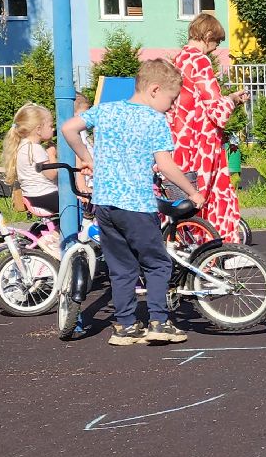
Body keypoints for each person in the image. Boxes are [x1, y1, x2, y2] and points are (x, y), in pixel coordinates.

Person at [60, 60, 205, 346]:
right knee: (157, 263)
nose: (172, 106)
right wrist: (192, 191)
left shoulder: (107, 109)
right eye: (171, 99)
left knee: (121, 266)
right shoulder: (154, 120)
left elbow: (68, 128)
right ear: (154, 90)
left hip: (106, 204)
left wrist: (87, 158)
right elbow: (165, 165)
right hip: (137, 204)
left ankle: (125, 325)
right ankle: (159, 321)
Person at [169, 13, 249, 243]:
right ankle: (215, 245)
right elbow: (214, 107)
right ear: (207, 36)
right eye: (216, 42)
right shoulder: (199, 61)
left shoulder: (179, 59)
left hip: (180, 138)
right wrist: (232, 100)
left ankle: (186, 243)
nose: (215, 48)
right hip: (200, 140)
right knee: (210, 193)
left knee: (183, 193)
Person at [1, 102, 59, 217]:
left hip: (32, 196)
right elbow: (52, 174)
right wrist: (52, 155)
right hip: (46, 196)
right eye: (51, 126)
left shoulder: (22, 146)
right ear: (38, 129)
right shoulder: (36, 149)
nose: (53, 129)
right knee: (79, 204)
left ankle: (56, 232)